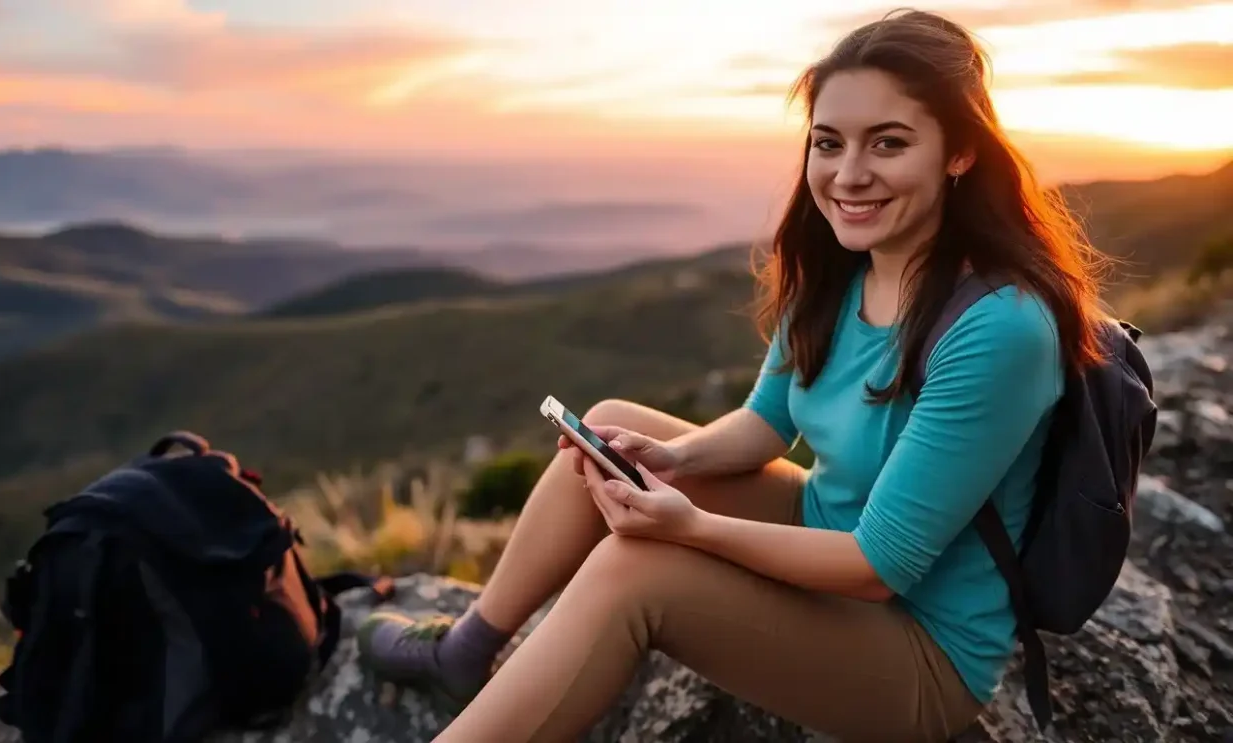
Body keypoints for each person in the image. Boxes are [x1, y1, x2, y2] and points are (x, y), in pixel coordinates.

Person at [357, 8, 1111, 742]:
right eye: (828, 142)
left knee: (635, 569)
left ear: (959, 152)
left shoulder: (999, 327)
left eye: (888, 143)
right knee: (615, 427)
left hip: (918, 646)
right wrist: (673, 462)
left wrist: (696, 529)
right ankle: (466, 648)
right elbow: (767, 421)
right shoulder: (844, 267)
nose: (849, 175)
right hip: (822, 528)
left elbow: (879, 565)